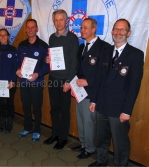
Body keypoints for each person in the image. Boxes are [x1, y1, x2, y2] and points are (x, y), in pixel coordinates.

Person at [88, 19, 144, 166]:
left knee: (120, 143)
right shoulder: (105, 51)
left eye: (122, 29)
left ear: (128, 33)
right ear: (112, 32)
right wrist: (94, 100)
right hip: (102, 104)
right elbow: (99, 78)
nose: (118, 32)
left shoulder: (136, 55)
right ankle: (101, 161)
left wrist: (127, 110)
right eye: (116, 29)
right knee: (101, 138)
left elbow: (134, 85)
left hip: (119, 109)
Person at [70, 18, 110, 159]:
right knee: (81, 120)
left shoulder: (104, 48)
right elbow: (78, 69)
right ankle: (83, 144)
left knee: (88, 122)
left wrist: (89, 81)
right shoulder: (82, 47)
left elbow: (105, 73)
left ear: (94, 29)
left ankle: (90, 148)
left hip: (92, 93)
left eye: (86, 27)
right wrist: (73, 84)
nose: (82, 30)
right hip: (79, 91)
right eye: (82, 27)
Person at [44, 9, 79, 149]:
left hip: (65, 80)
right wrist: (48, 59)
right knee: (54, 109)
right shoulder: (52, 37)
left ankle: (63, 138)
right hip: (53, 78)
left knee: (64, 111)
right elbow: (53, 57)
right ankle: (55, 134)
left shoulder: (72, 38)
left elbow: (74, 62)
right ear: (54, 22)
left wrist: (68, 81)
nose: (58, 23)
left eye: (61, 20)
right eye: (56, 20)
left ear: (66, 21)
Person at [16, 19, 49, 142]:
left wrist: (37, 74)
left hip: (37, 82)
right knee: (26, 106)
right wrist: (17, 70)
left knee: (36, 108)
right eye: (28, 27)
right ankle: (27, 128)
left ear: (37, 29)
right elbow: (17, 63)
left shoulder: (43, 46)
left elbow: (47, 66)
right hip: (23, 82)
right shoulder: (21, 45)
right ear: (26, 29)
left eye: (32, 27)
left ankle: (37, 130)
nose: (30, 30)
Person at [0, 28, 18, 133]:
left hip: (10, 82)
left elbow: (16, 67)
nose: (3, 37)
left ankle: (9, 122)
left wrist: (13, 80)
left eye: (5, 35)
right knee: (1, 103)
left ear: (8, 36)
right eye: (0, 35)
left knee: (10, 103)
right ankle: (2, 123)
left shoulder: (13, 49)